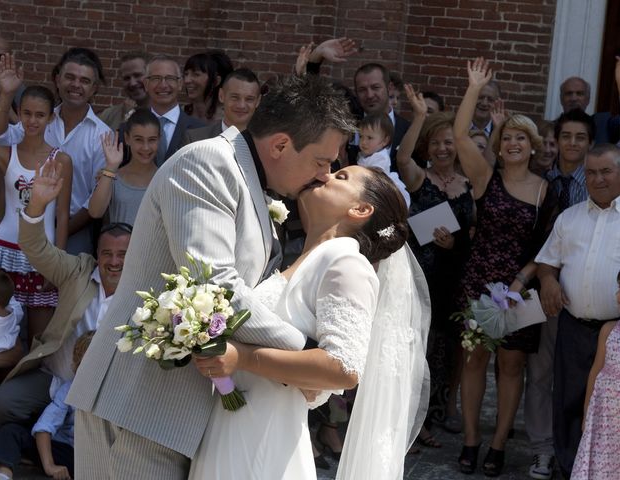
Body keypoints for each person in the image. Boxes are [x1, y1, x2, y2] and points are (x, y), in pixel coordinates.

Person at [66, 74, 360, 479]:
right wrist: (303, 356)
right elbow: (214, 285)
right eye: (322, 161)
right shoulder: (207, 164)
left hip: (178, 410)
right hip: (138, 401)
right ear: (279, 145)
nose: (326, 174)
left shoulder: (249, 178)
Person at [191, 164, 429, 480]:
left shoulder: (347, 263)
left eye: (341, 177)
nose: (325, 175)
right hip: (237, 424)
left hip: (267, 438)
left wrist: (243, 358)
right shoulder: (300, 262)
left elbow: (344, 368)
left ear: (360, 209)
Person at [0, 160, 131, 457]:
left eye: (122, 254)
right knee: (1, 404)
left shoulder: (143, 292)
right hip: (56, 377)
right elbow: (35, 248)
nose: (114, 262)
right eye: (107, 254)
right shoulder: (76, 270)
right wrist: (37, 205)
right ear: (96, 254)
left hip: (109, 390)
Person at [453, 57, 556, 477]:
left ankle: (499, 444)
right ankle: (472, 439)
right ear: (499, 145)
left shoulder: (547, 189)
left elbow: (550, 245)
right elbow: (459, 134)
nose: (513, 143)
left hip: (521, 288)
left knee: (511, 366)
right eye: (507, 137)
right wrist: (474, 88)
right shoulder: (485, 177)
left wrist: (520, 280)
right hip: (479, 281)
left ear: (532, 146)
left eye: (521, 138)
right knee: (474, 360)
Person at [536, 144, 620, 478]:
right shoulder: (568, 218)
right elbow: (546, 263)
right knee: (568, 402)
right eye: (591, 172)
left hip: (616, 336)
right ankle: (568, 468)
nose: (598, 179)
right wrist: (548, 282)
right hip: (573, 328)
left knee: (610, 412)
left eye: (606, 171)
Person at [397, 85, 474, 440]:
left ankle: (445, 408)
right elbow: (401, 158)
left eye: (449, 142)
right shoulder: (419, 179)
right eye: (436, 143)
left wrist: (456, 242)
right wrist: (420, 118)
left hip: (454, 275)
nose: (443, 149)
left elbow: (474, 232)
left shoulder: (469, 184)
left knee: (452, 348)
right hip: (420, 275)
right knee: (420, 349)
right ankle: (414, 420)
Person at [524, 108, 595, 479]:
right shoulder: (540, 182)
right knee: (539, 373)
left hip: (584, 294)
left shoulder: (601, 182)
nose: (571, 144)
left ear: (589, 143)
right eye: (565, 136)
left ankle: (579, 446)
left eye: (579, 137)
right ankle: (541, 448)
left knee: (581, 377)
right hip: (543, 288)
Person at [0, 50, 112, 255]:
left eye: (84, 80)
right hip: (24, 223)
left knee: (63, 285)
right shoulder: (40, 118)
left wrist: (59, 232)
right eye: (70, 77)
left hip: (75, 231)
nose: (75, 85)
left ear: (94, 88)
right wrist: (7, 95)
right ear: (57, 79)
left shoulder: (103, 136)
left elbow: (94, 198)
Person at [0, 85, 72, 346]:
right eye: (27, 113)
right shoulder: (4, 153)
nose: (33, 121)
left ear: (51, 117)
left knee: (37, 339)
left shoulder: (61, 160)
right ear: (18, 114)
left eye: (40, 115)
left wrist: (58, 266)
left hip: (42, 255)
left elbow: (62, 216)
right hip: (4, 250)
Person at [0, 330, 94, 480]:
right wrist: (50, 466)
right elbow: (45, 426)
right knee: (11, 431)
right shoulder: (69, 389)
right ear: (77, 364)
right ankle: (2, 475)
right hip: (64, 449)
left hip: (90, 458)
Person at [570, 270, 620, 479]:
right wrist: (587, 413)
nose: (618, 295)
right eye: (619, 288)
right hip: (603, 421)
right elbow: (595, 372)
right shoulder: (609, 330)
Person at [88, 108, 159, 225]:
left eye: (152, 140)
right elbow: (95, 212)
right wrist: (111, 167)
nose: (146, 147)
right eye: (138, 140)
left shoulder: (166, 179)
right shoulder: (113, 176)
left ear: (159, 139)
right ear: (127, 139)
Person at [139, 55, 204, 166]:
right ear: (146, 84)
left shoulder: (200, 131)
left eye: (170, 78)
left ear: (180, 84)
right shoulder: (128, 129)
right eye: (156, 78)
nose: (163, 85)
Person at [352, 63, 410, 169]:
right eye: (362, 90)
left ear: (389, 88)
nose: (369, 95)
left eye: (375, 87)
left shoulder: (408, 129)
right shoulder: (349, 122)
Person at [183, 68, 261, 143]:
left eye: (249, 99)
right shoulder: (195, 139)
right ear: (221, 96)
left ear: (258, 101)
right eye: (235, 97)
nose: (241, 105)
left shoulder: (265, 144)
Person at [356, 113, 410, 208]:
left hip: (380, 191)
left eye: (369, 138)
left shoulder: (380, 158)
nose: (363, 142)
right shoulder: (364, 155)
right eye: (361, 136)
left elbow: (371, 178)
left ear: (384, 141)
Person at [98, 52, 149, 130]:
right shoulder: (108, 115)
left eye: (137, 75)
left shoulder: (165, 115)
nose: (132, 83)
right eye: (127, 78)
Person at [183, 51, 233, 123]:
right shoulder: (179, 114)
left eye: (196, 74)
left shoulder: (226, 121)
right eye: (186, 74)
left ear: (215, 81)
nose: (187, 80)